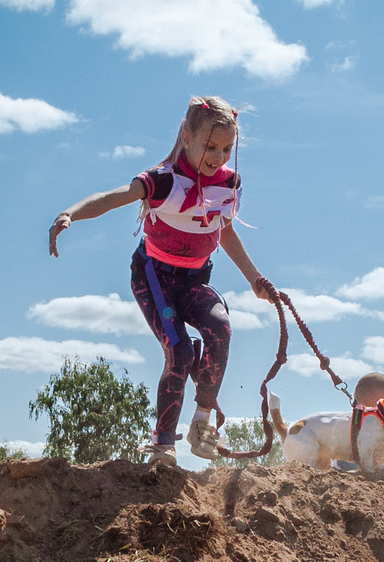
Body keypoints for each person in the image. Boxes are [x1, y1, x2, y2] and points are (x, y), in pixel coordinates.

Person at [47, 95, 279, 466]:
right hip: (154, 277)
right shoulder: (161, 181)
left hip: (193, 281)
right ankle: (162, 444)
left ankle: (202, 424)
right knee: (181, 352)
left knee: (221, 329)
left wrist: (255, 279)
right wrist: (69, 214)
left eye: (226, 149)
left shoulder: (229, 184)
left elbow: (226, 232)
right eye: (210, 146)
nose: (218, 157)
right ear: (186, 137)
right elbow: (113, 198)